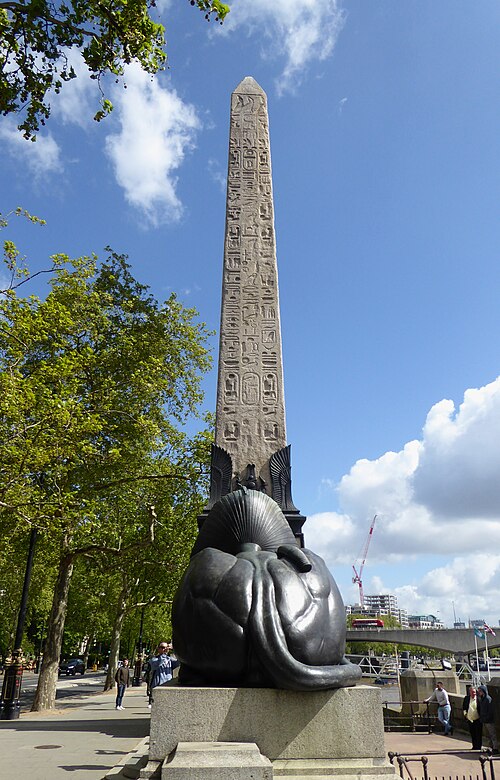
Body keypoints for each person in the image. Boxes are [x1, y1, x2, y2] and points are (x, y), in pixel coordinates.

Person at [147, 641, 179, 709]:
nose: (165, 649)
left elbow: (179, 662)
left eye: (166, 647)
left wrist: (175, 649)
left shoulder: (169, 659)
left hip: (168, 685)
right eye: (162, 647)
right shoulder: (154, 659)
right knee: (158, 707)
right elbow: (157, 664)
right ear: (158, 649)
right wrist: (164, 654)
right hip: (158, 686)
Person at [477, 684, 499, 754]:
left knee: (493, 735)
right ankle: (491, 747)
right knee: (489, 735)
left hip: (489, 720)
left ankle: (495, 748)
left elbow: (490, 711)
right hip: (485, 720)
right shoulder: (482, 699)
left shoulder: (488, 699)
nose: (479, 692)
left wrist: (486, 718)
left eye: (480, 691)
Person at [462, 685, 482, 749]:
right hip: (470, 719)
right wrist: (465, 715)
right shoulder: (466, 698)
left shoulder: (479, 698)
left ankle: (479, 746)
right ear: (469, 692)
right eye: (472, 692)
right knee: (472, 733)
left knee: (478, 733)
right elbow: (464, 708)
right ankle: (474, 746)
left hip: (478, 719)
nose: (473, 693)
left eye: (474, 692)